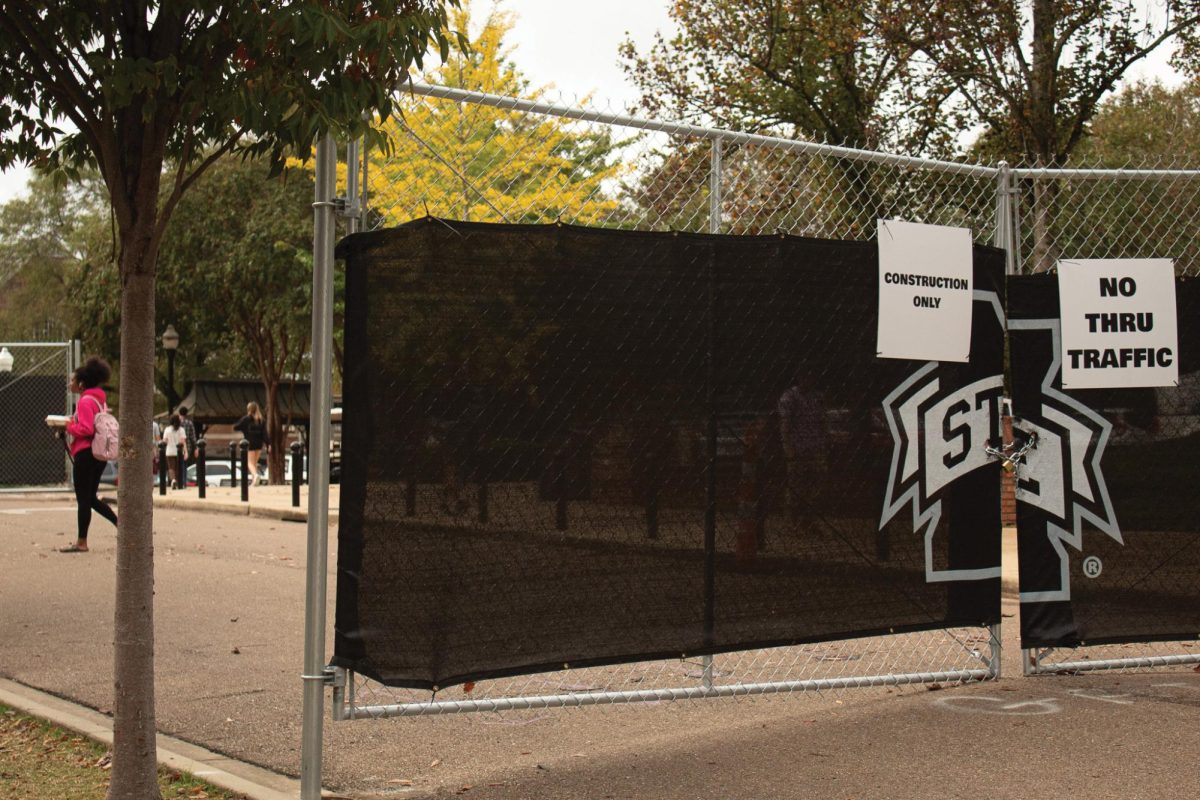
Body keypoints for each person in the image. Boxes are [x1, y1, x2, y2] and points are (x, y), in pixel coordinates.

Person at [60, 356, 118, 553]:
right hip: (97, 455)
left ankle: (81, 542)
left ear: (81, 384)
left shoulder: (85, 401)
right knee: (91, 498)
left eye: (72, 380)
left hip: (85, 453)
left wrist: (68, 426)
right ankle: (121, 524)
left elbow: (86, 430)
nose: (70, 383)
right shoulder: (99, 400)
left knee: (83, 499)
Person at [233, 401, 266, 486]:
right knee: (254, 463)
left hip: (250, 443)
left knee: (249, 463)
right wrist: (268, 444)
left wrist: (244, 429)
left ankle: (255, 475)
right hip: (259, 444)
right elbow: (265, 433)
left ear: (249, 409)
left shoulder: (246, 419)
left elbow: (236, 427)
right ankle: (254, 482)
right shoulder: (261, 420)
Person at [161, 413, 187, 489]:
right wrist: (186, 452)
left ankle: (173, 480)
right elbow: (183, 441)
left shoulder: (167, 429)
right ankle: (179, 483)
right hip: (179, 452)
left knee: (171, 467)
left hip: (169, 451)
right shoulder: (181, 430)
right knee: (178, 467)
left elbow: (164, 441)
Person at [178, 405, 198, 480]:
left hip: (177, 446)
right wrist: (196, 448)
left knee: (177, 464)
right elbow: (193, 437)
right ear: (186, 414)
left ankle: (178, 481)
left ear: (179, 413)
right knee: (184, 464)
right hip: (188, 446)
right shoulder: (189, 423)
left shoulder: (176, 423)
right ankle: (184, 481)